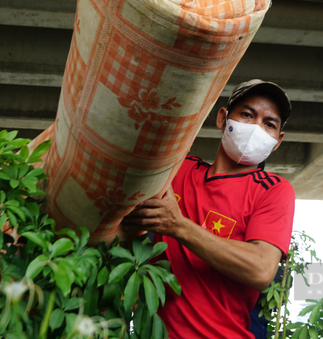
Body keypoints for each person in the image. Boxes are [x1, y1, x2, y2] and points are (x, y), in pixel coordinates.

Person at [123, 79, 296, 338]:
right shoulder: (177, 167)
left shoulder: (272, 190)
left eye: (269, 124)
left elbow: (261, 269)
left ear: (278, 140)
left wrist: (178, 226)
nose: (256, 127)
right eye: (247, 115)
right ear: (222, 119)